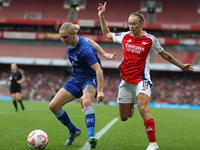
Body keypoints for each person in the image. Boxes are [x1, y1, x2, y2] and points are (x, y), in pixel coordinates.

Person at [98, 2, 194, 150]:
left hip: (142, 80)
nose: (131, 26)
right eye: (129, 24)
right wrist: (102, 16)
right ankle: (132, 108)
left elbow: (164, 54)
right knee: (124, 117)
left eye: (134, 24)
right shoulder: (124, 36)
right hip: (125, 80)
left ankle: (153, 144)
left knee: (143, 109)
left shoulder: (150, 39)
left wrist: (181, 65)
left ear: (142, 24)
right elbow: (106, 34)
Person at [48, 22, 115, 149]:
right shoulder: (73, 42)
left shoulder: (84, 50)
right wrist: (104, 53)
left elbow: (98, 70)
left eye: (65, 37)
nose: (63, 40)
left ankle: (91, 137)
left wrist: (100, 91)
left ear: (74, 34)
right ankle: (73, 131)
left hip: (90, 79)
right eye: (61, 37)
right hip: (76, 78)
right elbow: (91, 40)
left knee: (87, 102)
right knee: (53, 106)